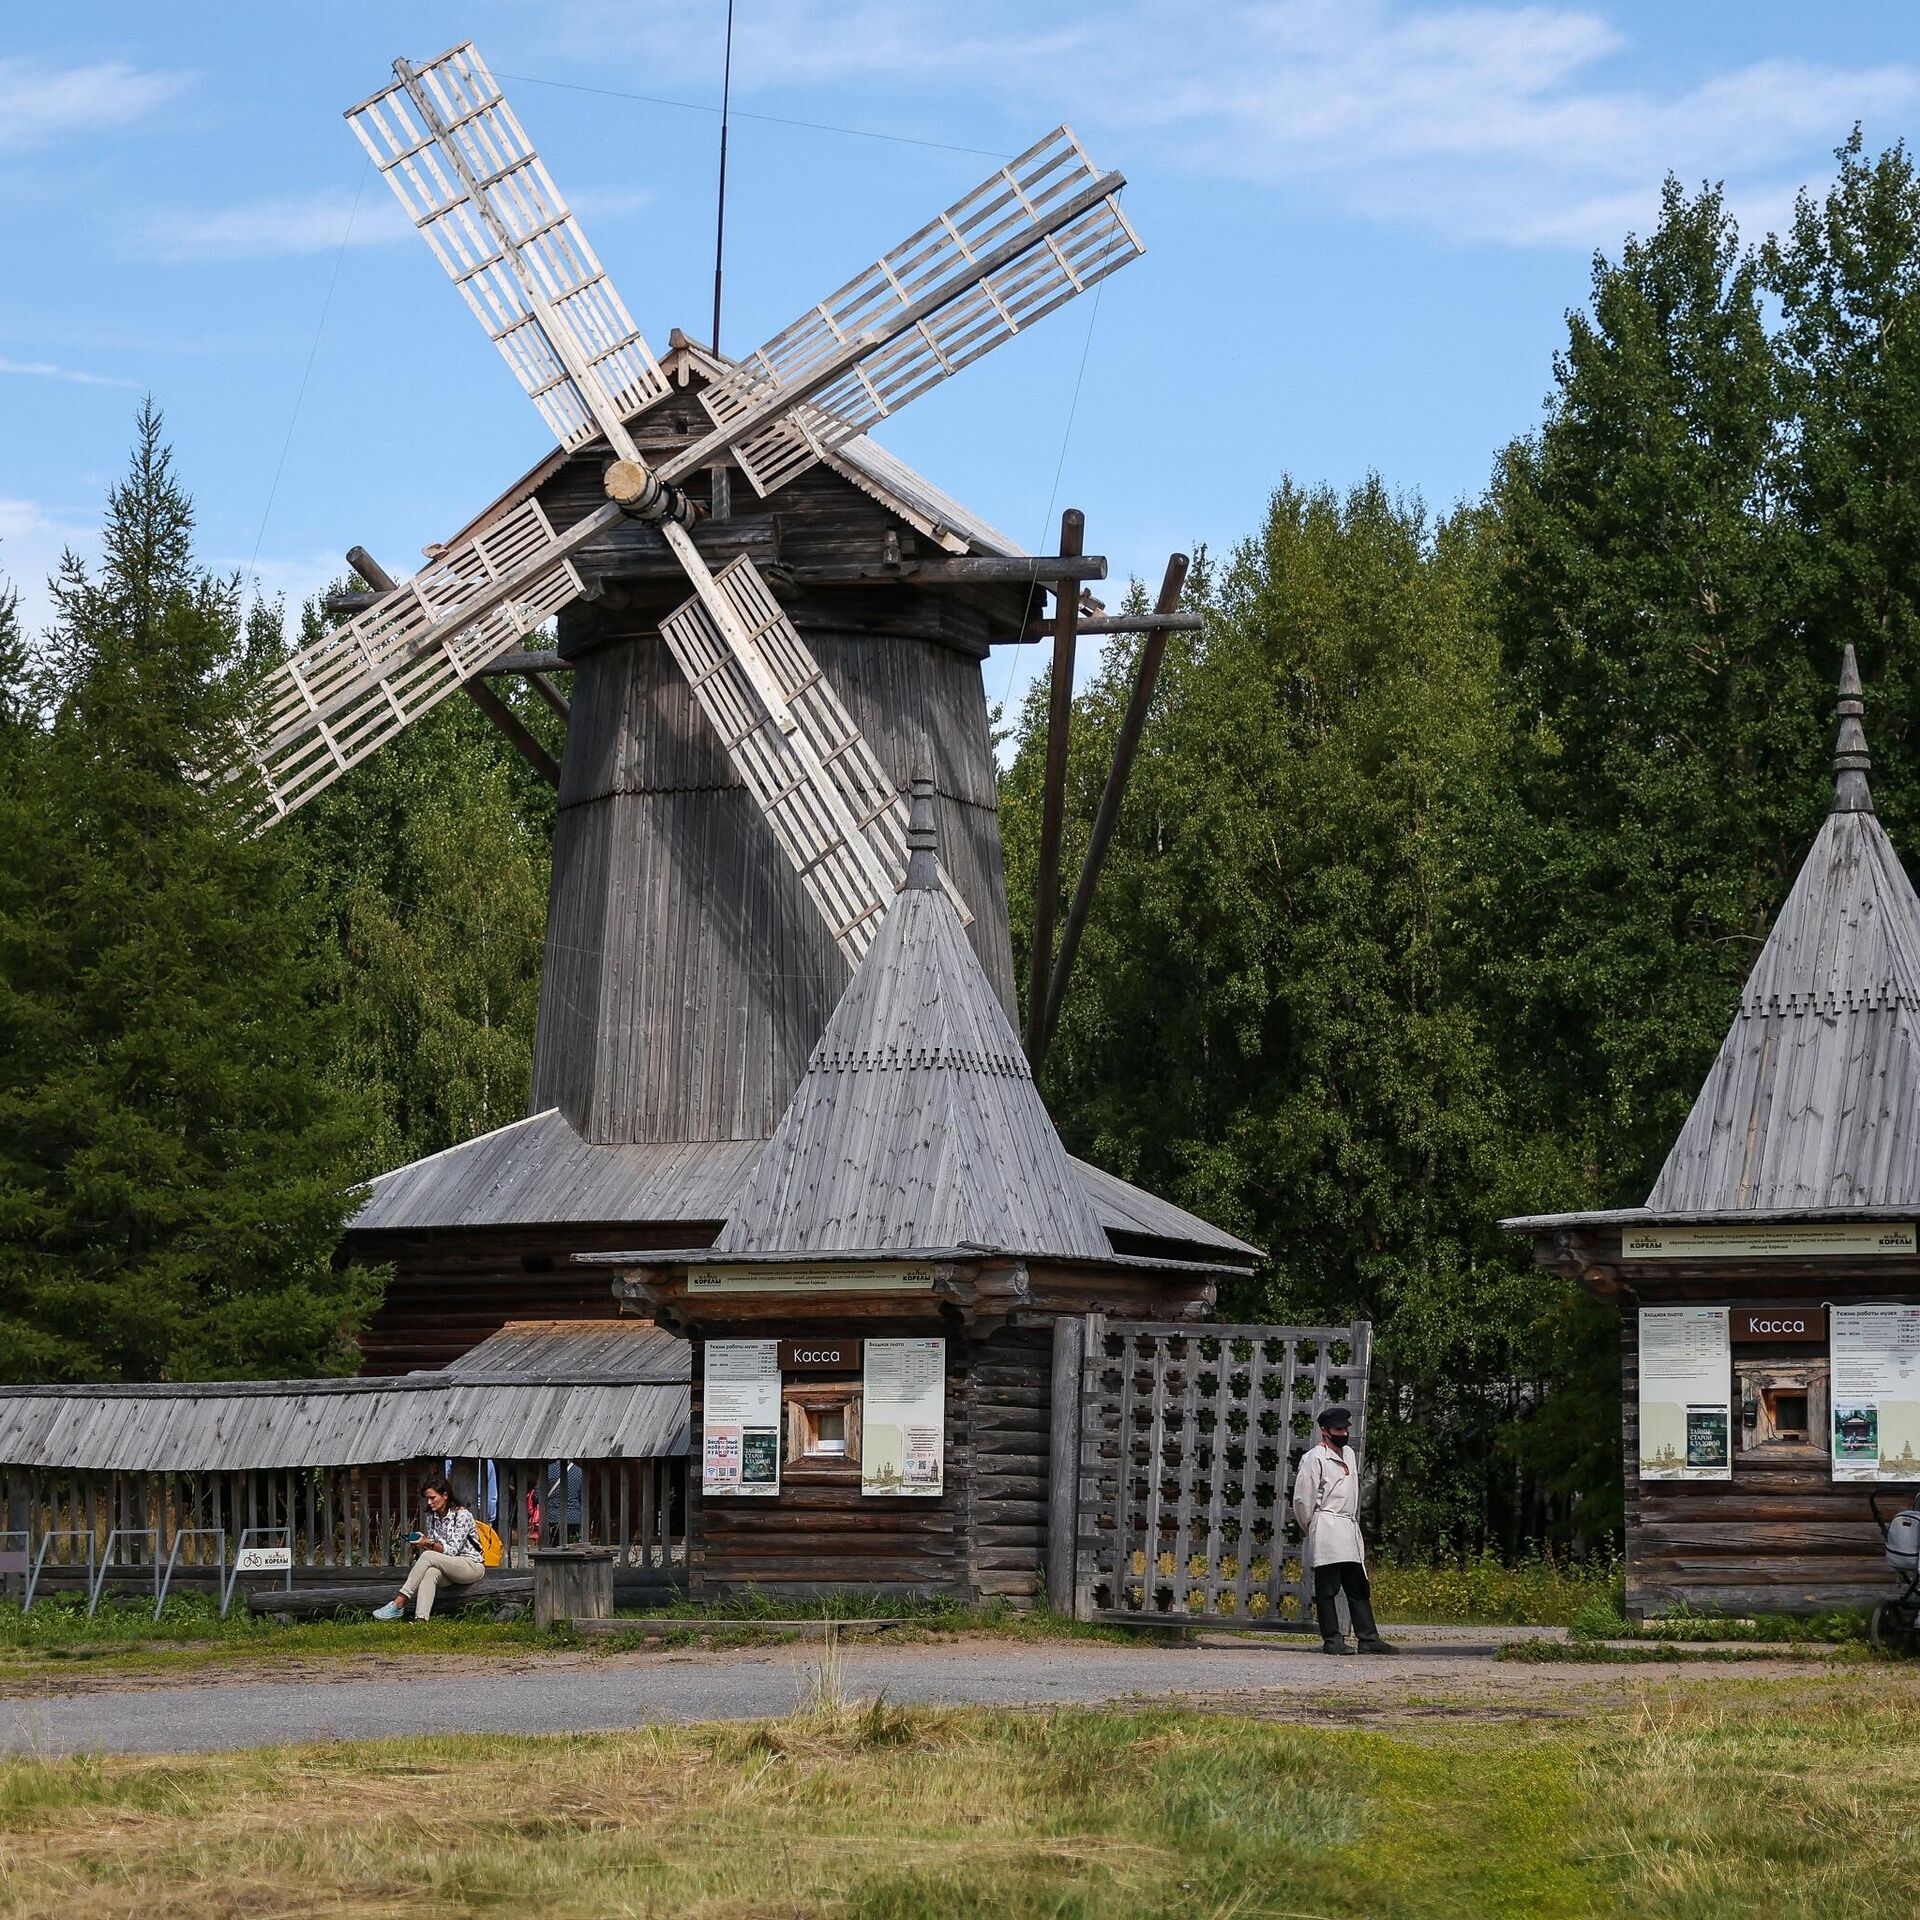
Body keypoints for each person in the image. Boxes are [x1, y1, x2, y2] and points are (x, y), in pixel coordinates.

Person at [1292, 1406, 1395, 1656]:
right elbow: (1303, 1500)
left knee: (1357, 1585)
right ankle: (1332, 1639)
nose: (1344, 1433)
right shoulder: (1315, 1458)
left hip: (1347, 1526)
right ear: (1325, 1431)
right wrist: (1313, 1525)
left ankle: (1368, 1638)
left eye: (1346, 1428)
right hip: (1327, 1525)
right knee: (1327, 1587)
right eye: (1339, 1429)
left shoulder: (1348, 1454)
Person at [373, 1477, 486, 1621]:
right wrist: (424, 1541)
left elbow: (451, 1550)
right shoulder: (432, 1516)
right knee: (430, 1573)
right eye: (427, 1499)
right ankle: (421, 1619)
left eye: (433, 1498)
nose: (429, 1502)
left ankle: (399, 1602)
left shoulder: (462, 1515)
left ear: (445, 1495)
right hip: (449, 1566)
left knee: (428, 1556)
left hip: (471, 1565)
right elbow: (437, 1546)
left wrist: (428, 1544)